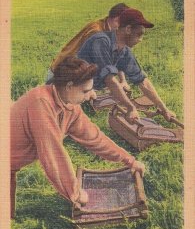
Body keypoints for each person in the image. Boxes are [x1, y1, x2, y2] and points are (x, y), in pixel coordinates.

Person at [11, 56, 145, 219]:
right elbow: (52, 153)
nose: (93, 96)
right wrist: (74, 193)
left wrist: (129, 160)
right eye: (86, 91)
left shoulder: (70, 106)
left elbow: (95, 138)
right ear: (69, 86)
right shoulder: (40, 102)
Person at [77, 8, 176, 122]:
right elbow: (109, 79)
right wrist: (131, 108)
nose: (140, 40)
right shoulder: (101, 41)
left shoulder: (124, 51)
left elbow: (142, 81)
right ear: (128, 29)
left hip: (94, 89)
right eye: (139, 35)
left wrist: (163, 108)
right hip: (75, 87)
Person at [47, 3, 129, 82]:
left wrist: (122, 79)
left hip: (70, 72)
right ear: (116, 20)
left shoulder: (106, 27)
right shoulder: (97, 33)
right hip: (61, 74)